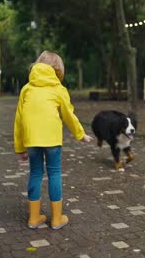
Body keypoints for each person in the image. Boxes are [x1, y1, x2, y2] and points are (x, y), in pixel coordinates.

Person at [13, 51, 93, 230]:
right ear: (58, 70)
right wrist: (81, 134)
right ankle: (56, 218)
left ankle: (34, 218)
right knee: (54, 174)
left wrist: (19, 148)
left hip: (31, 140)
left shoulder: (26, 89)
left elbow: (18, 120)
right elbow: (68, 115)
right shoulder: (58, 89)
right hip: (52, 140)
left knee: (35, 173)